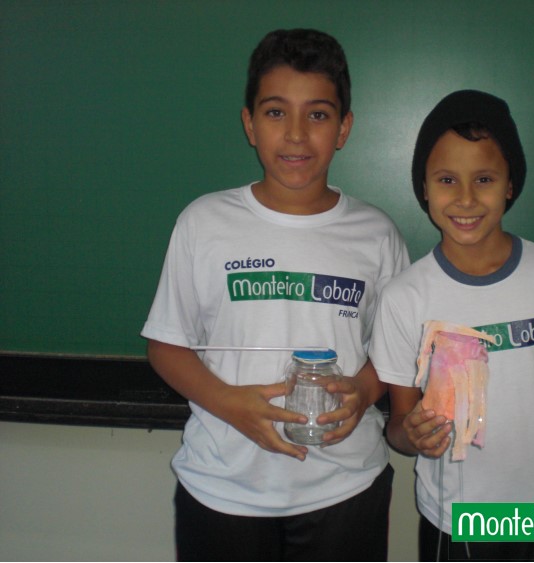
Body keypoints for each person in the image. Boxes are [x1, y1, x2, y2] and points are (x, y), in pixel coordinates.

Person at [141, 28, 409, 561]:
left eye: (318, 114)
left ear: (344, 128)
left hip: (345, 486)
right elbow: (166, 345)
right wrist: (231, 405)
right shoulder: (204, 222)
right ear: (249, 124)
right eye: (275, 112)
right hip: (224, 488)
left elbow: (396, 352)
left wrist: (364, 390)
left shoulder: (377, 234)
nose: (295, 135)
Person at [370, 90, 534, 561]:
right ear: (424, 188)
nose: (465, 198)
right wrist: (413, 435)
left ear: (510, 184)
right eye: (447, 180)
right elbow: (398, 426)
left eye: (484, 179)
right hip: (459, 526)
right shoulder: (404, 297)